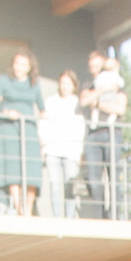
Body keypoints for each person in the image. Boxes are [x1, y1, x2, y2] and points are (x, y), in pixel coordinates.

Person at [0, 51, 43, 216]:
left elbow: (42, 108)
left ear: (30, 67)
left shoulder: (34, 84)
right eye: (17, 63)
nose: (20, 68)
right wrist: (6, 111)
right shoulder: (4, 80)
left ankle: (28, 208)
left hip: (28, 130)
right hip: (9, 129)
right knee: (13, 168)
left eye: (24, 64)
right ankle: (19, 208)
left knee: (32, 169)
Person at [79, 51, 127, 219]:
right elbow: (84, 101)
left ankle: (114, 214)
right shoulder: (89, 84)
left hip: (112, 132)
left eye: (97, 66)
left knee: (113, 175)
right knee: (93, 177)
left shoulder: (116, 83)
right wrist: (101, 90)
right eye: (91, 66)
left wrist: (98, 103)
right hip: (93, 134)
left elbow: (120, 108)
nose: (94, 70)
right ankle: (98, 216)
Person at [39, 68, 85, 216]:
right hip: (52, 148)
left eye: (68, 83)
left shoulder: (77, 103)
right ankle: (57, 217)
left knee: (70, 186)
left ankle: (70, 218)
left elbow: (80, 127)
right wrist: (43, 145)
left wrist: (79, 152)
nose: (65, 86)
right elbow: (44, 123)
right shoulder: (51, 101)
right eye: (62, 83)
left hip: (71, 150)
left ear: (73, 85)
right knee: (55, 185)